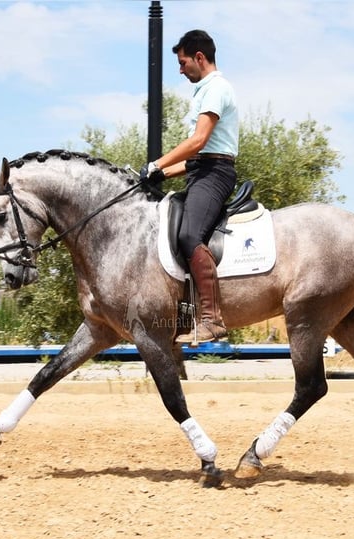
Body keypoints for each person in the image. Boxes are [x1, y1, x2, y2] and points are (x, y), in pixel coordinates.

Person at [140, 29, 239, 344]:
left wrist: (156, 163)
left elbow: (198, 142)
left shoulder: (216, 88)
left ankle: (211, 320)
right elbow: (198, 158)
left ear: (199, 57)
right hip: (203, 170)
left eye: (183, 63)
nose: (180, 70)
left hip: (216, 174)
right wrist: (162, 174)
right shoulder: (205, 91)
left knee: (188, 235)